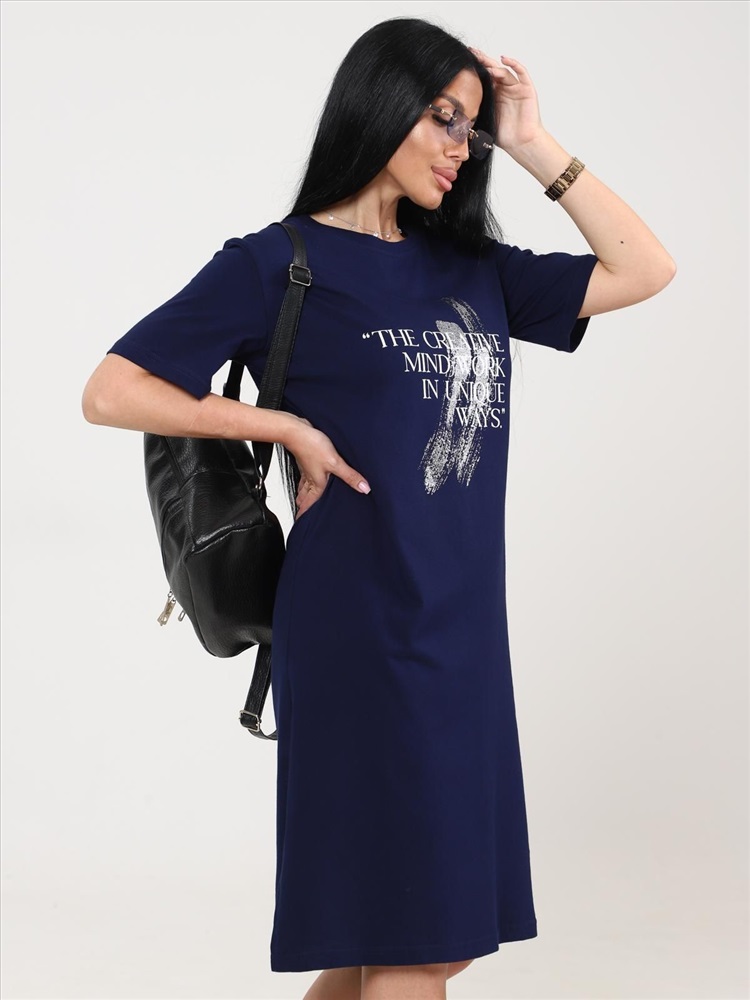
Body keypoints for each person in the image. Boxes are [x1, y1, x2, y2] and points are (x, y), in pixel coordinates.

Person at [81, 16, 676, 1000]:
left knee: (422, 936)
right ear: (379, 105)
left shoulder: (474, 268)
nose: (459, 146)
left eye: (471, 128)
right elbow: (111, 390)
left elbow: (644, 269)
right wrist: (281, 426)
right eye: (443, 118)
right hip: (359, 633)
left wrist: (531, 143)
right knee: (414, 941)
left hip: (463, 641)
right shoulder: (279, 264)